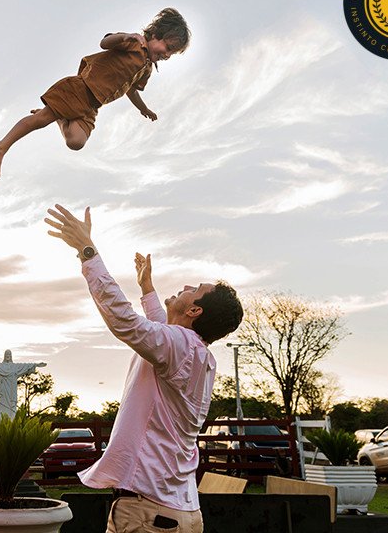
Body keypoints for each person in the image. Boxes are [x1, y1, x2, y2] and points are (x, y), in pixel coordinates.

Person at [44, 205, 244, 533]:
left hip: (149, 513)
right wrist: (148, 290)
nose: (185, 286)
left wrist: (87, 252)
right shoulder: (199, 354)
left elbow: (127, 322)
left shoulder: (180, 346)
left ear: (194, 309)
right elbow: (160, 335)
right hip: (178, 511)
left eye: (194, 288)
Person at [0, 8, 191, 179]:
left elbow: (131, 90)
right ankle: (0, 148)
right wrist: (124, 36)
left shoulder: (146, 70)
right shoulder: (134, 43)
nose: (167, 54)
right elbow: (105, 42)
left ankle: (60, 118)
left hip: (92, 105)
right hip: (79, 89)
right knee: (40, 120)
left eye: (171, 53)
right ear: (155, 34)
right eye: (168, 47)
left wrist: (143, 108)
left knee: (76, 142)